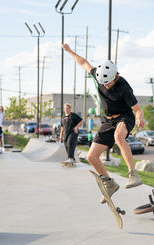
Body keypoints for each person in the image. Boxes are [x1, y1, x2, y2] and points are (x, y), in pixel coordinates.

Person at [63, 43, 145, 204]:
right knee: (91, 156)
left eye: (108, 83)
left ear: (115, 76)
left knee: (119, 137)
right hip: (108, 120)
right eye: (103, 84)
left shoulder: (124, 88)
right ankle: (109, 183)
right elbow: (83, 63)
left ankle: (133, 174)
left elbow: (137, 109)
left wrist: (139, 118)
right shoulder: (99, 75)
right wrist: (69, 51)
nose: (106, 86)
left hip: (125, 117)